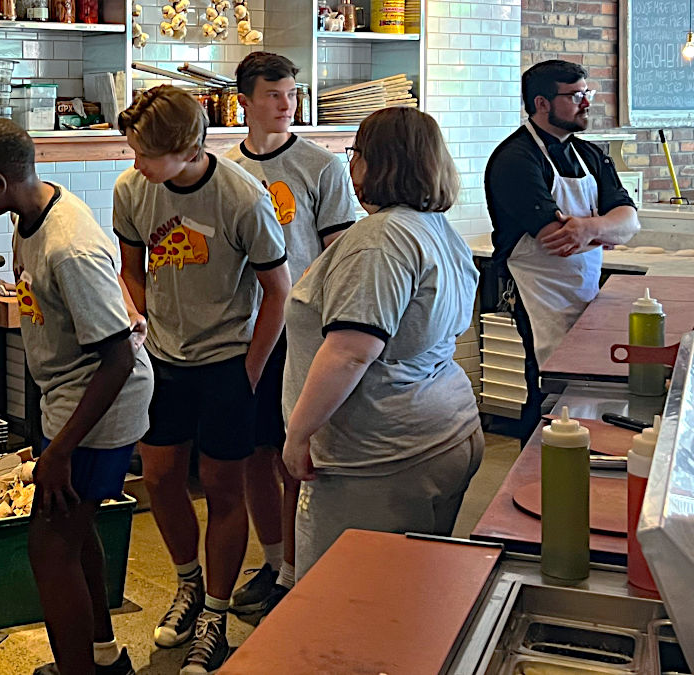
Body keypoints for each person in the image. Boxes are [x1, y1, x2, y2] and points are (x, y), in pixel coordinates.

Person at [0, 119, 154, 675]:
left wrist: (61, 451)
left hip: (100, 406)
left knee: (50, 547)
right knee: (74, 527)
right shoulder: (28, 217)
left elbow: (118, 357)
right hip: (67, 399)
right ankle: (102, 655)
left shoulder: (68, 246)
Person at [113, 85, 291, 674]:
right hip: (164, 359)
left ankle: (215, 613)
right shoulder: (133, 192)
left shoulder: (243, 197)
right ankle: (188, 585)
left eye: (143, 153)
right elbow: (131, 270)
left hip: (228, 361)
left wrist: (251, 369)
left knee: (222, 486)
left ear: (186, 148)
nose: (134, 163)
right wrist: (138, 318)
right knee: (160, 478)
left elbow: (278, 290)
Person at [282, 107, 483, 580]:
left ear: (378, 163)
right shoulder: (435, 227)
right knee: (411, 587)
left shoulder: (379, 239)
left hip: (383, 455)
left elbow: (351, 351)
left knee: (347, 597)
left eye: (356, 154)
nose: (352, 167)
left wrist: (298, 431)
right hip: (444, 428)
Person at [223, 51, 356, 615]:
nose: (285, 105)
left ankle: (298, 568)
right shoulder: (226, 169)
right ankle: (273, 559)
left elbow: (341, 253)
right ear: (245, 101)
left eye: (292, 94)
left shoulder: (322, 166)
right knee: (253, 453)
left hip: (303, 330)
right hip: (247, 331)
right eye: (273, 95)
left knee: (292, 453)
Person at [485, 59, 639, 430]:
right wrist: (602, 229)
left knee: (579, 390)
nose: (587, 102)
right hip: (536, 295)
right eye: (575, 96)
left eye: (587, 93)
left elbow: (630, 222)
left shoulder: (590, 154)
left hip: (582, 291)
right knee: (547, 391)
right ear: (542, 103)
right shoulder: (516, 160)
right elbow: (555, 237)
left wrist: (588, 228)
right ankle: (532, 479)